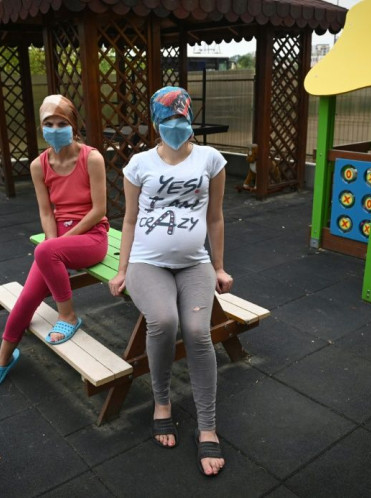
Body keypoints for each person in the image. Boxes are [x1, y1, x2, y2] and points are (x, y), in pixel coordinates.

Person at [108, 86, 233, 477]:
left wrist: (219, 267)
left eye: (180, 118)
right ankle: (161, 402)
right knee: (163, 321)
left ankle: (207, 425)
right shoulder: (140, 164)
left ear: (189, 118)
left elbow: (215, 217)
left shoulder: (211, 160)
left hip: (194, 262)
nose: (174, 126)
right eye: (166, 121)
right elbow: (128, 219)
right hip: (148, 262)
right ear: (155, 124)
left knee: (197, 331)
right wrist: (123, 268)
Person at [0, 95, 109, 389]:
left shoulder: (92, 158)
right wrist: (54, 242)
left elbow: (99, 210)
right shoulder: (39, 165)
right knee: (27, 297)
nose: (54, 128)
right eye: (48, 123)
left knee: (45, 252)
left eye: (61, 123)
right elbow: (45, 211)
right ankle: (3, 358)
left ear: (73, 125)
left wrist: (57, 244)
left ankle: (69, 315)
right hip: (57, 242)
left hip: (92, 236)